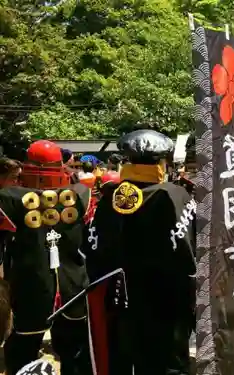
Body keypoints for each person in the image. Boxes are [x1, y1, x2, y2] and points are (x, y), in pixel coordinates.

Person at [82, 130, 196, 375]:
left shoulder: (111, 197)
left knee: (123, 360)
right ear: (161, 162)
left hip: (119, 298)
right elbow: (187, 253)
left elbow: (94, 248)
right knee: (166, 364)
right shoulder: (174, 194)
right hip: (166, 300)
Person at [0, 140, 92, 375]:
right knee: (74, 350)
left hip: (31, 284)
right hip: (73, 284)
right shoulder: (81, 193)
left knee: (23, 348)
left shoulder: (9, 198)